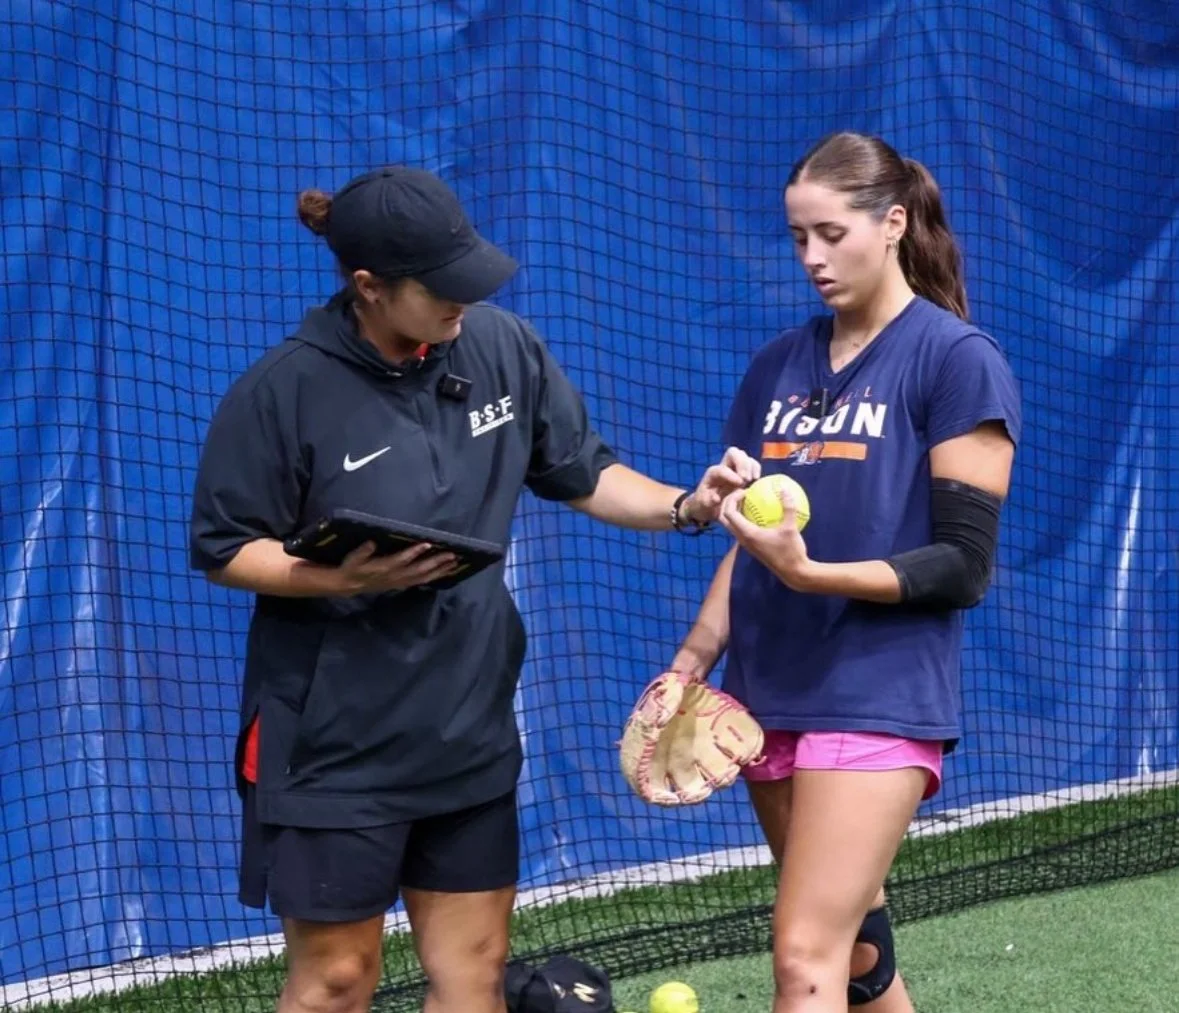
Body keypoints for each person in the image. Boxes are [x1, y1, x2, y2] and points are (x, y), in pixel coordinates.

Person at [188, 165, 758, 1013]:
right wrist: (338, 574)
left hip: (467, 727)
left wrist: (688, 505)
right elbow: (224, 547)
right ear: (368, 286)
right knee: (336, 980)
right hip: (331, 743)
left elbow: (582, 473)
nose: (464, 299)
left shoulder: (500, 347)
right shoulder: (281, 393)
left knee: (474, 973)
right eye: (441, 286)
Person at [668, 131, 1021, 1013]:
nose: (812, 257)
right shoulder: (774, 368)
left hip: (877, 692)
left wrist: (813, 574)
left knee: (804, 958)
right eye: (797, 238)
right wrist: (690, 663)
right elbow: (750, 543)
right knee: (857, 959)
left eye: (831, 233)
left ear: (893, 222)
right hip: (765, 690)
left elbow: (960, 565)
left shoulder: (954, 359)